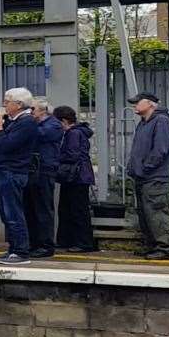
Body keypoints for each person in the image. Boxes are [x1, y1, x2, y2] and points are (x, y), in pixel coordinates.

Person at [0, 88, 37, 264]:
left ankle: (21, 251)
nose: (4, 104)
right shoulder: (12, 121)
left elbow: (8, 145)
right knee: (6, 213)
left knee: (13, 212)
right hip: (3, 170)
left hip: (13, 171)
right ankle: (12, 248)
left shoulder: (27, 122)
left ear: (19, 104)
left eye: (7, 101)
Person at [126, 92, 169, 260]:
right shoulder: (143, 123)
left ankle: (165, 248)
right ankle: (152, 245)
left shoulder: (161, 122)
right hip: (144, 176)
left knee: (156, 212)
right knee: (145, 213)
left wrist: (145, 168)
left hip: (154, 177)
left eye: (137, 102)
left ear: (150, 104)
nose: (134, 105)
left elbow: (160, 150)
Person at [22, 98, 62, 259]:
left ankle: (46, 245)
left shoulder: (53, 125)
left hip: (44, 170)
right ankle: (33, 243)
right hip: (32, 169)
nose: (30, 112)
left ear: (43, 110)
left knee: (43, 208)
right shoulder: (38, 124)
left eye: (33, 109)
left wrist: (26, 123)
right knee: (30, 208)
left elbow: (39, 135)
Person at [53, 105, 96, 253]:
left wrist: (56, 157)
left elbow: (72, 154)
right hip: (78, 176)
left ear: (64, 121)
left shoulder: (73, 134)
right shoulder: (78, 132)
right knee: (68, 209)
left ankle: (82, 242)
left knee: (77, 210)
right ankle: (69, 240)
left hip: (77, 176)